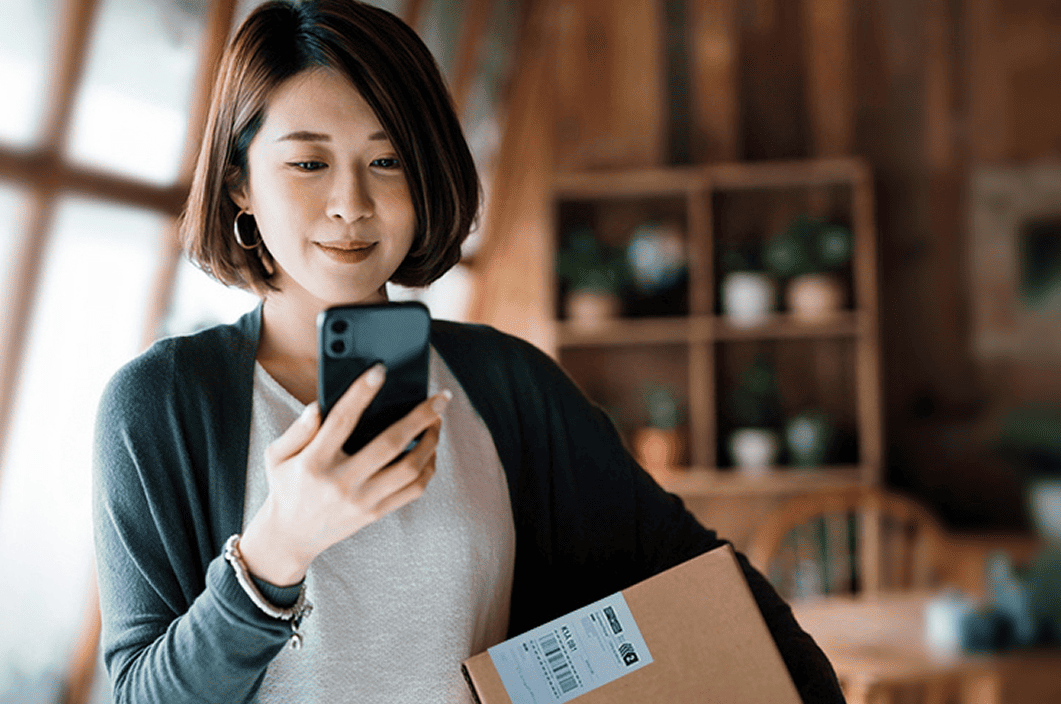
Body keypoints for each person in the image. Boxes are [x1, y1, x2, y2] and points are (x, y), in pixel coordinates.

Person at [93, 1, 845, 702]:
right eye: (308, 163)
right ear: (238, 186)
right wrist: (275, 551)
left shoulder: (504, 382)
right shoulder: (161, 406)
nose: (351, 203)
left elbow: (701, 579)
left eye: (386, 162)